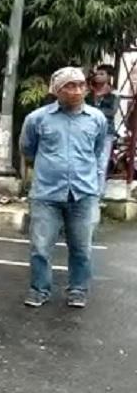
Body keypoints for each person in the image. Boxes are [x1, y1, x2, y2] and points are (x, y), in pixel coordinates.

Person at [20, 67, 107, 309]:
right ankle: (39, 289)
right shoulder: (38, 118)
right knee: (40, 247)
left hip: (84, 193)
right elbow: (28, 149)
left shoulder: (96, 119)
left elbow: (98, 152)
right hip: (46, 194)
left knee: (81, 248)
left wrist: (97, 185)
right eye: (70, 86)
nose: (77, 90)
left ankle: (78, 290)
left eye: (81, 85)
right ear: (57, 90)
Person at [85, 67, 119, 191]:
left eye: (101, 74)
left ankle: (98, 194)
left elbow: (111, 111)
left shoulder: (114, 94)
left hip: (106, 132)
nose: (97, 76)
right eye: (96, 74)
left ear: (109, 77)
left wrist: (93, 111)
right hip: (88, 131)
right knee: (87, 161)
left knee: (101, 163)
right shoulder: (89, 94)